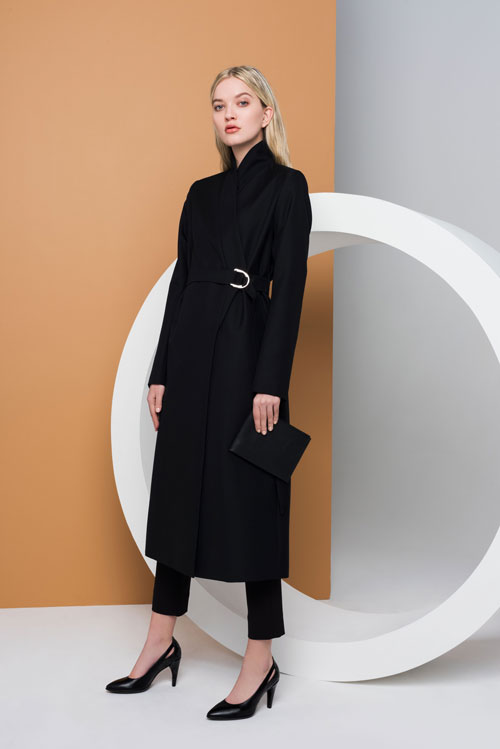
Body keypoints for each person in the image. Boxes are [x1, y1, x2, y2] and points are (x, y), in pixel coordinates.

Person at [105, 65, 312, 720]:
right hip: (192, 353)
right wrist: (160, 369)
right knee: (177, 495)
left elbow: (290, 292)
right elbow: (181, 284)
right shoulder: (200, 194)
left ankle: (260, 655)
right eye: (219, 105)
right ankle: (159, 642)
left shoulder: (288, 187)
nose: (229, 114)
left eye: (242, 102)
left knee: (252, 496)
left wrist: (270, 381)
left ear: (266, 113)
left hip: (248, 352)